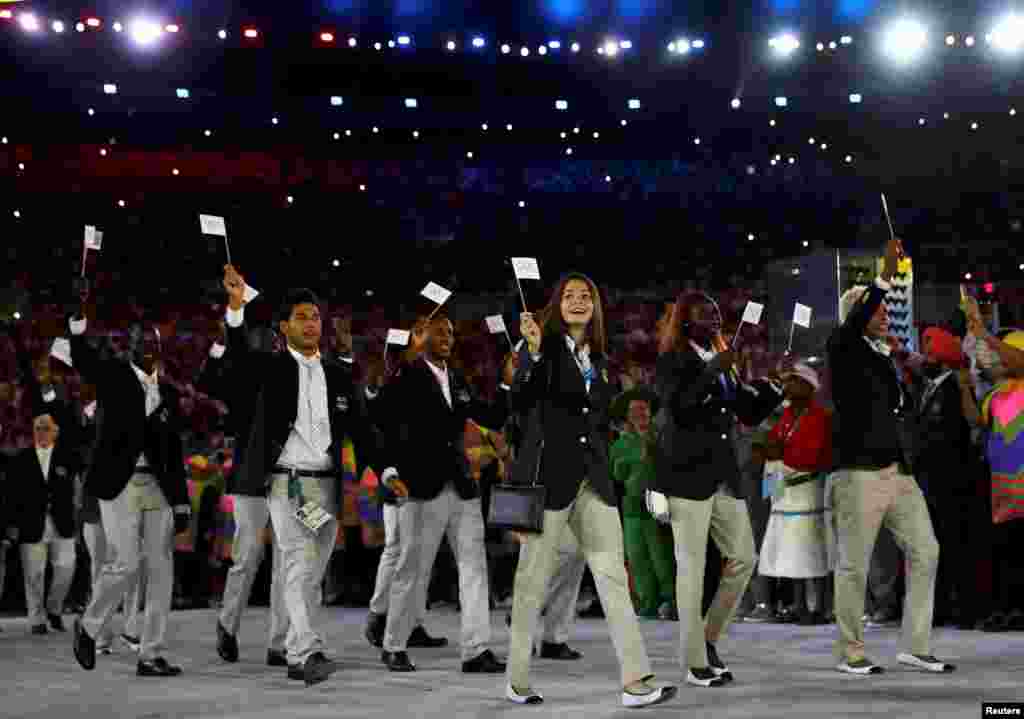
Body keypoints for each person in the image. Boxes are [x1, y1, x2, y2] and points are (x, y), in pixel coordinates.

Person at [506, 272, 676, 708]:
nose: (578, 301)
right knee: (532, 583)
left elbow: (595, 420)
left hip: (594, 482)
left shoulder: (599, 358)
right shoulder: (540, 349)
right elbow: (520, 402)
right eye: (570, 296)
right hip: (549, 482)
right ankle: (517, 679)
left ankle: (636, 681)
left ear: (596, 306)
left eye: (586, 296)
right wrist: (531, 350)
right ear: (557, 305)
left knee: (613, 576)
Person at [220, 264, 380, 686]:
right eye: (302, 317)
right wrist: (235, 310)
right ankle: (303, 650)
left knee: (311, 569)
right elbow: (234, 363)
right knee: (298, 560)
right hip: (287, 482)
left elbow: (362, 426)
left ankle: (297, 645)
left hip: (326, 485)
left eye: (315, 316)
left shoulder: (338, 373)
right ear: (284, 325)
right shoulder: (268, 368)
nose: (311, 323)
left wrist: (383, 468)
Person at [827, 237, 952, 675]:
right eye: (876, 309)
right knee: (854, 566)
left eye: (884, 309)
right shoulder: (841, 348)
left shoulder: (882, 359)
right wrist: (884, 275)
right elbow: (860, 316)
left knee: (926, 550)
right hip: (859, 473)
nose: (884, 315)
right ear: (856, 316)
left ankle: (915, 645)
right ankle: (851, 651)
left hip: (898, 472)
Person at [649, 291, 783, 688]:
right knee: (690, 570)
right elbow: (680, 408)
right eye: (703, 315)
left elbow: (744, 411)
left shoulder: (721, 359)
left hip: (723, 476)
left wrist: (773, 386)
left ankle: (706, 638)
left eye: (716, 313)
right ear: (685, 322)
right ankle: (694, 662)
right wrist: (712, 372)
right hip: (684, 476)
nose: (714, 319)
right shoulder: (673, 360)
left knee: (744, 556)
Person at [70, 285, 192, 678]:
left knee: (161, 569)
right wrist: (78, 322)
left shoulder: (168, 392)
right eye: (142, 342)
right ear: (131, 347)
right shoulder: (113, 376)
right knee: (123, 563)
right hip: (118, 484)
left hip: (157, 487)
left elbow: (172, 452)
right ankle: (88, 626)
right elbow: (83, 359)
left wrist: (182, 500)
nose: (150, 348)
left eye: (155, 342)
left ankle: (151, 653)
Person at [376, 314, 509, 674]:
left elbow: (492, 416)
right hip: (420, 488)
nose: (448, 337)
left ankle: (476, 649)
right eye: (439, 331)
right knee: (412, 570)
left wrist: (509, 384)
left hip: (462, 488)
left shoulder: (458, 379)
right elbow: (383, 427)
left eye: (451, 332)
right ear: (420, 337)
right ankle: (393, 645)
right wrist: (389, 471)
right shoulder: (405, 377)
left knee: (474, 568)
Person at [364, 318, 448, 651]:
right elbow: (374, 414)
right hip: (395, 476)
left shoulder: (419, 376)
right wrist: (373, 388)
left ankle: (411, 620)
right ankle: (380, 615)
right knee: (398, 549)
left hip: (420, 477)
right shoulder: (395, 378)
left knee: (413, 553)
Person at [756, 361, 834, 625]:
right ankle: (799, 606)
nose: (787, 386)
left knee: (813, 551)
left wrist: (779, 452)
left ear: (808, 386)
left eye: (794, 381)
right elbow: (772, 446)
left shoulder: (818, 416)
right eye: (787, 382)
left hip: (807, 489)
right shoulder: (786, 416)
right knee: (789, 552)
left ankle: (820, 608)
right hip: (783, 492)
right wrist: (768, 450)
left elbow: (812, 455)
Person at [610, 388, 676, 620]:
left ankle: (672, 601)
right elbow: (616, 474)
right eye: (634, 410)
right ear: (627, 415)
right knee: (637, 557)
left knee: (662, 557)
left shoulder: (661, 435)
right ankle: (648, 603)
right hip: (631, 506)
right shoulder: (621, 442)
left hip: (658, 503)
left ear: (650, 412)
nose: (639, 413)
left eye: (643, 409)